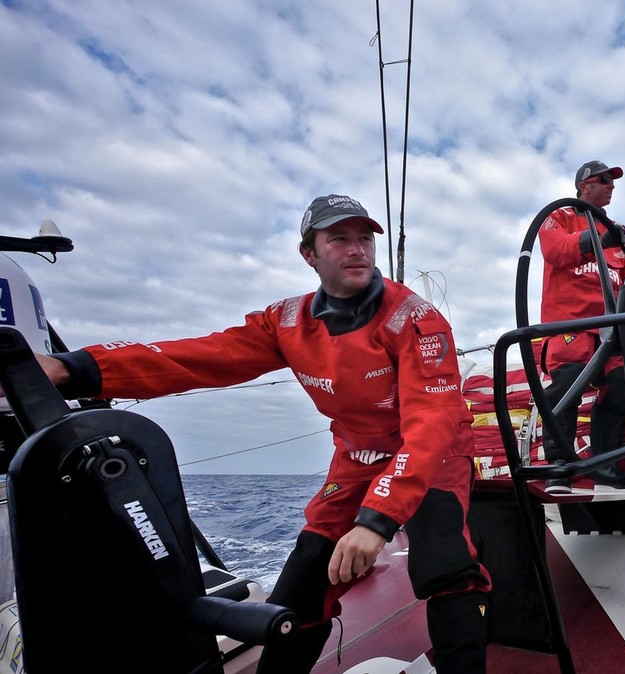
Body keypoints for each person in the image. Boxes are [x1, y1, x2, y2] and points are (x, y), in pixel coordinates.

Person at [30, 195, 491, 673]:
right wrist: (74, 368)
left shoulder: (414, 319)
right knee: (302, 584)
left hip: (432, 452)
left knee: (446, 567)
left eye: (364, 239)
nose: (357, 249)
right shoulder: (286, 321)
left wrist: (376, 522)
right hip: (357, 456)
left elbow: (431, 425)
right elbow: (203, 355)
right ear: (309, 254)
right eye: (339, 239)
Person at [537, 160, 625, 493]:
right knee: (568, 383)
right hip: (572, 323)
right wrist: (595, 240)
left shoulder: (621, 234)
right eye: (605, 180)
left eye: (614, 181)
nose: (612, 185)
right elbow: (555, 250)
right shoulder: (559, 217)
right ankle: (559, 465)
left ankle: (604, 463)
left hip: (614, 328)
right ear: (584, 185)